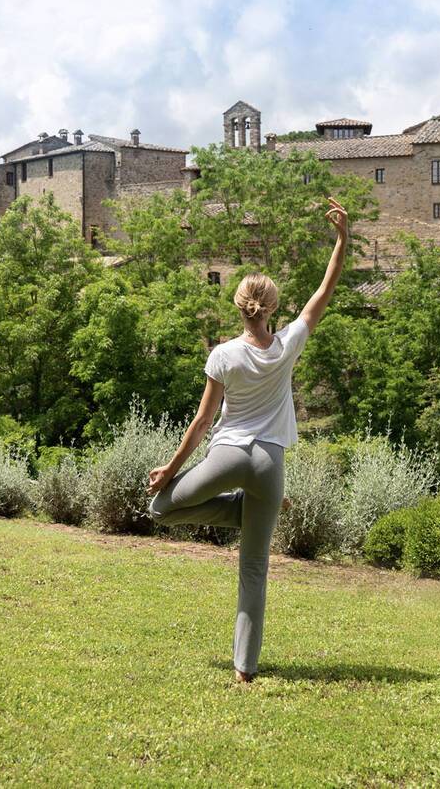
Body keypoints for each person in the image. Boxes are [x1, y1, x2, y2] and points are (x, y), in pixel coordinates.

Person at [147, 197, 350, 684]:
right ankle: (245, 669)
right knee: (254, 568)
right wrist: (342, 239)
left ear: (238, 307)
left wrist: (169, 472)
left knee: (159, 508)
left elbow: (201, 424)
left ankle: (243, 509)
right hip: (269, 465)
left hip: (228, 455)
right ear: (272, 307)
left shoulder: (222, 355)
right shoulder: (288, 344)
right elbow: (323, 293)